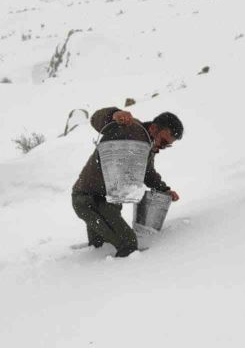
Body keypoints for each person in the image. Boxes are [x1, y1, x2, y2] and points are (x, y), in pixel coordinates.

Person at [71, 107, 183, 257]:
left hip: (108, 200)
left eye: (166, 145)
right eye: (163, 141)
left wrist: (165, 190)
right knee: (128, 243)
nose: (162, 147)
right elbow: (96, 120)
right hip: (88, 199)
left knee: (101, 245)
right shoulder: (129, 128)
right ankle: (119, 275)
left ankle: (96, 255)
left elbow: (148, 174)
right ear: (154, 128)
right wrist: (114, 115)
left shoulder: (147, 146)